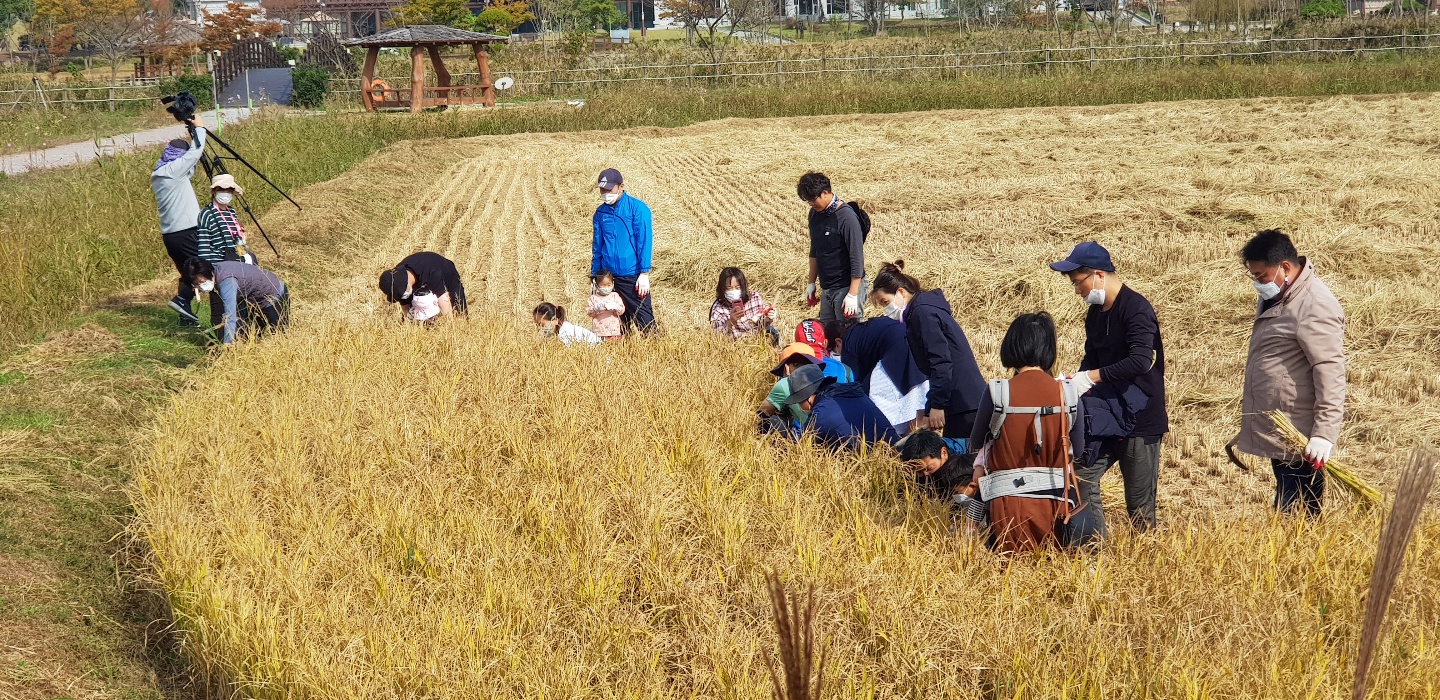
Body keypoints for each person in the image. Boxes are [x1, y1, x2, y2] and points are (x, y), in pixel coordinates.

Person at [1049, 241, 1168, 543]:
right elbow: (1092, 358)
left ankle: (1145, 555)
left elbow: (1141, 361)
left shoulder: (1136, 309)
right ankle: (1095, 547)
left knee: (1139, 504)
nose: (1077, 290)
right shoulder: (1095, 314)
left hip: (1140, 418)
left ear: (1099, 275)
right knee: (1082, 476)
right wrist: (1074, 380)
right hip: (1106, 416)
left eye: (1079, 282)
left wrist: (1092, 377)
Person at [1237, 230, 1346, 517]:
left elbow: (1330, 371)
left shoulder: (1314, 305)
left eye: (1261, 276)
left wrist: (1323, 435)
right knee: (1288, 505)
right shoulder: (1281, 295)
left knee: (1296, 512)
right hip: (1281, 426)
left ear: (1285, 267)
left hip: (1300, 435)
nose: (1258, 283)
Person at [967, 312, 1085, 554]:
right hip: (1057, 505)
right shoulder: (1068, 393)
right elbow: (1079, 450)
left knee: (1007, 567)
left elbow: (976, 443)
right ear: (1049, 348)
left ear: (1011, 345)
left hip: (1005, 507)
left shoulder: (997, 392)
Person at [870, 260, 986, 440]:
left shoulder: (922, 314)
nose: (886, 309)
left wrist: (938, 406)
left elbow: (941, 362)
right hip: (963, 399)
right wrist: (929, 410)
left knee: (961, 455)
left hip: (963, 402)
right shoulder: (922, 310)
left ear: (901, 292)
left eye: (885, 302)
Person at [151, 119, 206, 326]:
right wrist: (199, 128)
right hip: (186, 232)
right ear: (179, 158)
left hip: (170, 236)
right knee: (206, 267)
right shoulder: (173, 171)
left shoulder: (160, 173)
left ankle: (185, 315)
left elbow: (189, 167)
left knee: (188, 273)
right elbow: (194, 154)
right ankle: (182, 300)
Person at [840, 316, 930, 435]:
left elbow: (855, 380)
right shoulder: (870, 326)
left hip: (897, 351)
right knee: (918, 394)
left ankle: (894, 437)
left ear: (838, 342)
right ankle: (914, 435)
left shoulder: (848, 341)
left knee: (879, 403)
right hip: (917, 341)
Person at [591, 168, 656, 334]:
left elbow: (644, 241)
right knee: (615, 324)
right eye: (602, 190)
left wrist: (644, 273)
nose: (605, 193)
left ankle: (655, 348)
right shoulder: (600, 213)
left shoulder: (637, 209)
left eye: (609, 189)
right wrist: (595, 275)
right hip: (609, 278)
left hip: (631, 275)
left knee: (645, 322)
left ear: (621, 187)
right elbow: (597, 246)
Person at [798, 172, 866, 324]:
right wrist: (811, 282)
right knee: (827, 331)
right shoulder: (814, 214)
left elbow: (856, 256)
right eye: (808, 201)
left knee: (847, 332)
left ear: (825, 193)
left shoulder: (846, 217)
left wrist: (853, 294)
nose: (811, 204)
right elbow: (815, 249)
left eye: (813, 200)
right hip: (827, 287)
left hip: (846, 286)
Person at [783, 363, 899, 450]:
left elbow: (801, 447)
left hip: (871, 464)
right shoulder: (854, 393)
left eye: (799, 401)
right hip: (895, 449)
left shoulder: (820, 413)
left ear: (807, 397)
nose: (799, 406)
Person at [180, 257, 288, 346]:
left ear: (207, 273)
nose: (200, 287)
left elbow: (230, 314)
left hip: (273, 294)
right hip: (251, 300)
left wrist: (228, 343)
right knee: (247, 337)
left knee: (281, 337)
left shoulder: (227, 280)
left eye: (200, 282)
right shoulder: (214, 271)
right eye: (196, 284)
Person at [757, 342, 823, 438]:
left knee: (773, 421)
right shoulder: (825, 380)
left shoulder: (785, 384)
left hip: (811, 439)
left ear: (786, 368)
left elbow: (761, 413)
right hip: (833, 435)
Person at [378, 252, 467, 318]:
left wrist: (450, 330)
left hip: (447, 273)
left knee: (459, 313)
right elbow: (406, 309)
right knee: (420, 314)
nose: (402, 296)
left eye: (401, 293)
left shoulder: (432, 273)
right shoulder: (399, 278)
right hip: (419, 278)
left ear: (407, 284)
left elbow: (445, 304)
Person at [899, 430, 974, 499]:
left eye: (929, 468)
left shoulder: (973, 455)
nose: (925, 474)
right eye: (919, 471)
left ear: (944, 453)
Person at [710, 267, 777, 343]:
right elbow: (716, 337)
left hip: (758, 342)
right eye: (729, 288)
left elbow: (761, 323)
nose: (734, 292)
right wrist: (731, 322)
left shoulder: (754, 298)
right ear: (722, 289)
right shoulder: (718, 308)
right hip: (735, 346)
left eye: (737, 287)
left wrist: (769, 317)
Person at [196, 173, 252, 264]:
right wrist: (206, 268)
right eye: (221, 189)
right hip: (217, 264)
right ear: (214, 191)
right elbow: (204, 245)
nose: (225, 192)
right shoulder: (207, 213)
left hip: (235, 260)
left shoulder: (231, 211)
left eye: (229, 190)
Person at [533, 302, 600, 346]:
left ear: (555, 320)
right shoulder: (557, 331)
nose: (539, 328)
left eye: (542, 325)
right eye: (537, 325)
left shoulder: (565, 332)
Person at [587, 270, 626, 342]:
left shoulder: (615, 296)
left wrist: (616, 307)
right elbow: (589, 313)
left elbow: (621, 310)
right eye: (603, 285)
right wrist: (595, 308)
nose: (606, 288)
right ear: (597, 285)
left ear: (613, 283)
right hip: (599, 331)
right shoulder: (593, 298)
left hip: (614, 331)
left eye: (609, 285)